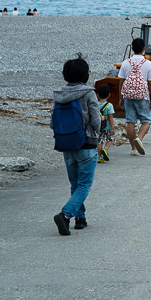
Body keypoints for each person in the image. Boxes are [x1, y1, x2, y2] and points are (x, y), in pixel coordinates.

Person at [53, 54, 101, 235]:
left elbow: (52, 121)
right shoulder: (89, 93)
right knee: (85, 185)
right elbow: (96, 119)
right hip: (87, 143)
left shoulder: (59, 94)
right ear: (85, 75)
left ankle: (80, 218)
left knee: (75, 184)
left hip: (66, 143)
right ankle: (66, 214)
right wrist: (96, 133)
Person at [118, 37, 151, 156]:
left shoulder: (125, 63)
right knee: (146, 121)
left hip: (128, 96)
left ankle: (134, 149)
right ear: (144, 49)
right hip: (142, 96)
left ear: (132, 48)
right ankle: (139, 139)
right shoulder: (148, 64)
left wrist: (121, 97)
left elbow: (121, 81)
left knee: (130, 121)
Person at [95, 84, 115, 162]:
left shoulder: (96, 104)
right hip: (107, 127)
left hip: (98, 126)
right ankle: (105, 149)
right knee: (110, 138)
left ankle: (99, 157)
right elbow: (110, 117)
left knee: (99, 141)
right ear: (109, 95)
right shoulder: (109, 105)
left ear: (97, 95)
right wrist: (112, 128)